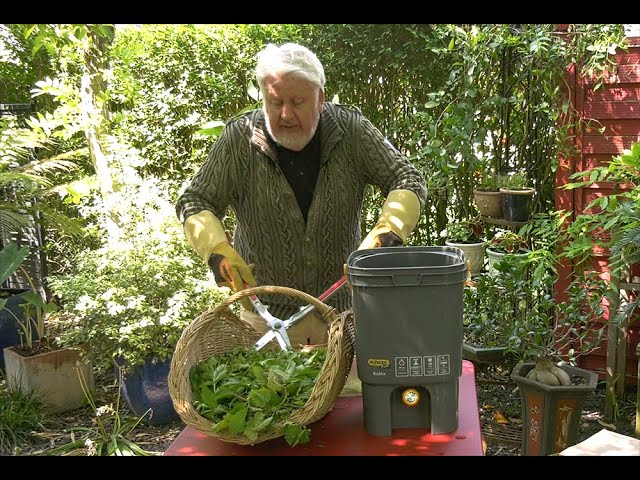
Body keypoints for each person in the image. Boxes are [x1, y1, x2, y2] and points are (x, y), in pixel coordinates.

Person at [176, 42, 427, 346]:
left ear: (320, 99)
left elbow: (407, 177)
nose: (285, 114)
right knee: (265, 394)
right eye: (274, 101)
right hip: (265, 323)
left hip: (343, 318)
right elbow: (195, 199)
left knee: (350, 394)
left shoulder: (351, 131)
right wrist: (217, 249)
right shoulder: (239, 139)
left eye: (297, 102)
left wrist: (389, 229)